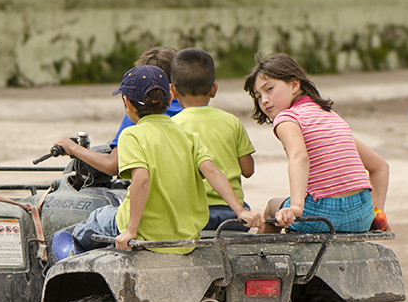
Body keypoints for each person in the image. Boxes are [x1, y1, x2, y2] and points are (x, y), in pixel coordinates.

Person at [52, 65, 263, 260]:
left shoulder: (132, 135)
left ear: (126, 102)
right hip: (184, 233)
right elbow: (213, 172)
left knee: (98, 217)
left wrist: (131, 231)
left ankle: (73, 253)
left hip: (145, 231)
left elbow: (142, 180)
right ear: (170, 96)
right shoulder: (188, 135)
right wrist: (240, 210)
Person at [243, 53, 391, 233]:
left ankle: (261, 258)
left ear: (294, 85)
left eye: (269, 89)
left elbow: (299, 156)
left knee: (272, 207)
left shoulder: (286, 118)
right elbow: (380, 166)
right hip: (360, 216)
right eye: (258, 96)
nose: (264, 100)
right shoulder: (330, 116)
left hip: (320, 215)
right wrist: (376, 214)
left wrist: (297, 207)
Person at [52, 46, 182, 176]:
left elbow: (113, 165)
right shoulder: (194, 112)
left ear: (127, 102)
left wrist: (73, 148)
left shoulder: (140, 113)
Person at [170, 48, 256, 230]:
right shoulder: (231, 121)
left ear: (173, 91)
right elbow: (248, 170)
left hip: (195, 217)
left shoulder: (172, 126)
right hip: (233, 216)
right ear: (214, 89)